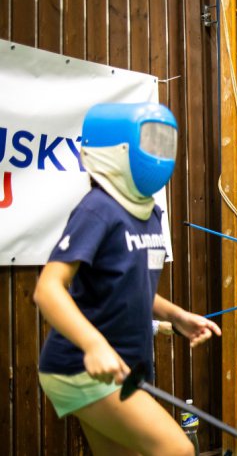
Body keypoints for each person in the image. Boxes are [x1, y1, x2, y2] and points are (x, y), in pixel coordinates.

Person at [34, 103, 222, 455]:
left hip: (121, 366)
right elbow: (48, 289)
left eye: (164, 143)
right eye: (150, 141)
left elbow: (131, 284)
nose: (158, 154)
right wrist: (94, 345)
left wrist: (176, 317)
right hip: (80, 366)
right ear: (116, 150)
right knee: (177, 450)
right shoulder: (98, 208)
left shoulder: (151, 213)